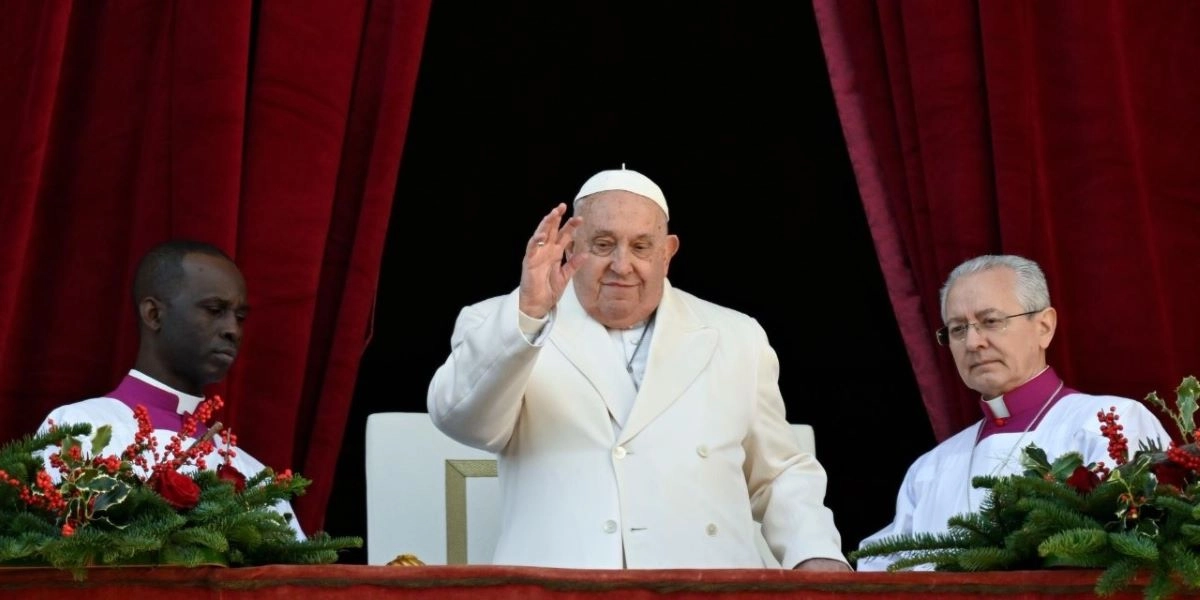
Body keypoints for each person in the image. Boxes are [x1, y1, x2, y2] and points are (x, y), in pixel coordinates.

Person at [427, 166, 849, 570]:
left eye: (642, 246)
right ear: (570, 248)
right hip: (561, 587)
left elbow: (777, 472)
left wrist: (814, 552)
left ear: (668, 252)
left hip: (709, 585)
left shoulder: (737, 336)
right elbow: (462, 421)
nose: (622, 264)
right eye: (603, 244)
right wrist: (530, 312)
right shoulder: (504, 323)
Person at [855, 254, 1169, 571]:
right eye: (958, 329)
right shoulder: (930, 469)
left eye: (991, 321)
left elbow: (1135, 554)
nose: (973, 342)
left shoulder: (1110, 421)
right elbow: (878, 571)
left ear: (1044, 326)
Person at [36, 239, 305, 539]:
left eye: (240, 317)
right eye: (215, 309)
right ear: (154, 314)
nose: (233, 329)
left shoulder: (253, 474)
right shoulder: (78, 429)